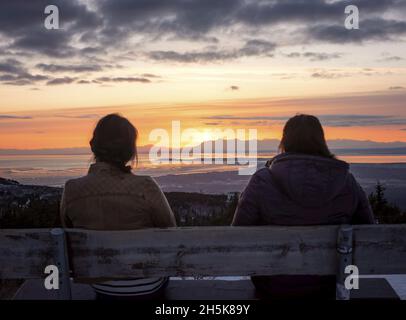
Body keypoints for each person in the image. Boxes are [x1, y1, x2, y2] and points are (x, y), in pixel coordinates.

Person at [232, 114, 375, 299]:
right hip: (332, 285)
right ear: (321, 141)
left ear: (285, 141)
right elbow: (368, 235)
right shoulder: (347, 182)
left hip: (273, 286)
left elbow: (238, 236)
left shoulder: (262, 180)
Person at [60, 113, 176, 300]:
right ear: (130, 150)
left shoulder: (72, 189)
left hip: (102, 286)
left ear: (93, 145)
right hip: (148, 286)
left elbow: (67, 232)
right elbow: (172, 231)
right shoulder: (145, 186)